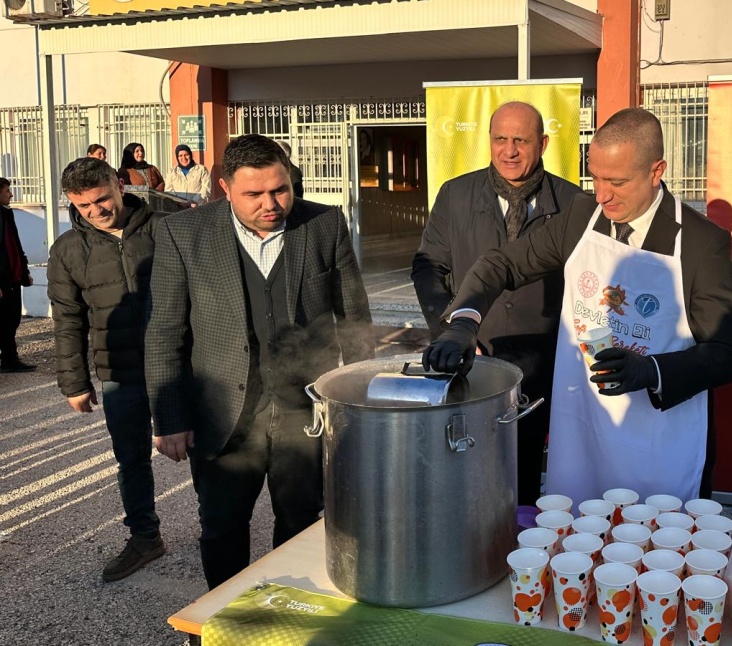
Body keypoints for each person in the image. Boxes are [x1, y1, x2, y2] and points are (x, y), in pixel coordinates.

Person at [424, 108, 732, 505]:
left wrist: (651, 369)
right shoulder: (581, 216)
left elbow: (730, 353)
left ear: (656, 170)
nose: (602, 194)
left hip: (659, 441)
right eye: (594, 177)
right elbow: (502, 264)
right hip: (583, 433)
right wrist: (463, 321)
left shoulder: (701, 243)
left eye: (617, 181)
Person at [145, 133, 375, 589]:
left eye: (280, 189)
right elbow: (165, 330)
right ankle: (227, 617)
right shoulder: (182, 233)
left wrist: (360, 406)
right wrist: (168, 417)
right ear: (224, 187)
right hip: (223, 415)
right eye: (254, 194)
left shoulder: (324, 225)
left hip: (304, 411)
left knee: (301, 521)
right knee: (222, 526)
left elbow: (354, 316)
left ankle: (291, 609)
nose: (271, 203)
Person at [411, 101, 582, 503]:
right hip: (472, 357)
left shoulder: (573, 202)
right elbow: (427, 266)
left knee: (525, 476)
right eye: (500, 139)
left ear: (542, 143)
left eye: (521, 140)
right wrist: (450, 329)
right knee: (465, 468)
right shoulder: (456, 194)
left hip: (543, 363)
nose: (509, 151)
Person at [47, 158, 166, 580]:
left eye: (102, 199)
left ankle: (218, 535)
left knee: (207, 453)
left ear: (119, 185)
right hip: (118, 371)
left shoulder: (164, 227)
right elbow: (68, 319)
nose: (96, 211)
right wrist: (74, 382)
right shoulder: (67, 250)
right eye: (83, 206)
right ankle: (144, 538)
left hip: (180, 365)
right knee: (131, 459)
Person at [0, 177, 35, 373]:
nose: (11, 194)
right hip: (3, 279)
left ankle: (9, 359)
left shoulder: (7, 215)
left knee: (11, 320)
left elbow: (15, 245)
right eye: (6, 191)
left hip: (13, 277)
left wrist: (24, 271)